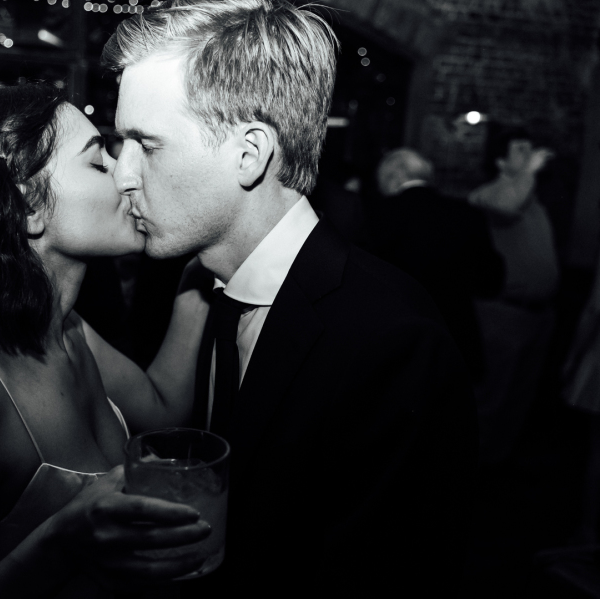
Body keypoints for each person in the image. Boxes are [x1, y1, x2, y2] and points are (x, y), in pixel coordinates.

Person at [103, 1, 478, 596]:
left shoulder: (391, 342)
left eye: (146, 146)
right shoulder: (212, 290)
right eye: (120, 142)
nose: (122, 175)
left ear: (249, 154)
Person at [0, 84, 213, 598]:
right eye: (98, 161)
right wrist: (59, 546)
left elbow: (163, 408)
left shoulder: (69, 330)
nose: (127, 173)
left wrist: (204, 267)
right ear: (27, 205)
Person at [365, 148, 504, 381]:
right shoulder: (466, 213)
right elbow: (491, 280)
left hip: (395, 339)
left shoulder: (379, 215)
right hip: (454, 336)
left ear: (394, 177)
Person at [468, 125, 559, 466]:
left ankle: (497, 469)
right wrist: (529, 171)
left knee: (518, 401)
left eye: (530, 148)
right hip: (504, 316)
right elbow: (507, 206)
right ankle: (472, 469)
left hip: (538, 315)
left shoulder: (530, 197)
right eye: (520, 150)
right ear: (500, 162)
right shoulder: (489, 194)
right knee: (491, 398)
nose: (530, 154)